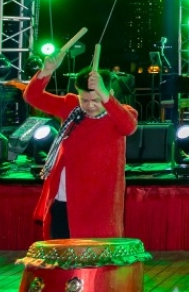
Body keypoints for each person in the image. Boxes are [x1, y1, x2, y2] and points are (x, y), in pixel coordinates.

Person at [23, 54, 138, 240]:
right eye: (84, 100)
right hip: (64, 193)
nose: (90, 105)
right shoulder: (70, 106)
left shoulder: (119, 113)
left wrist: (105, 97)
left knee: (96, 250)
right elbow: (33, 96)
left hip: (98, 200)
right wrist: (46, 71)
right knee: (60, 249)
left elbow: (128, 127)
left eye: (97, 100)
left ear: (109, 93)